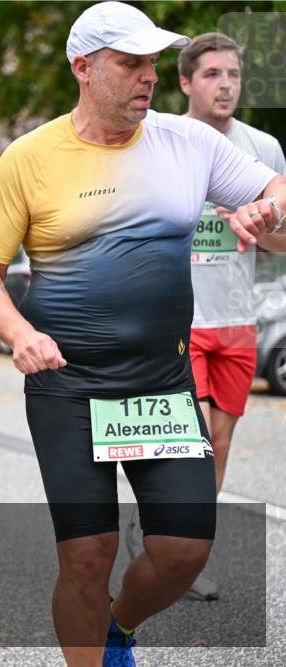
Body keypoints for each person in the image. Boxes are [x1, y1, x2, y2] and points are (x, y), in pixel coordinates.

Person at [0, 3, 286, 666]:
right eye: (130, 62)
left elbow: (278, 186)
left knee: (182, 549)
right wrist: (19, 333)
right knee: (87, 554)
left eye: (153, 64)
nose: (149, 77)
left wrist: (269, 205)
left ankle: (119, 625)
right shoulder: (29, 158)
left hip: (159, 382)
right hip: (67, 385)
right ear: (84, 68)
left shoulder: (188, 143)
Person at [162, 32, 286, 601]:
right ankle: (164, 540)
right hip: (179, 322)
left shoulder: (264, 149)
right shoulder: (160, 141)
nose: (226, 84)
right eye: (212, 74)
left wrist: (261, 227)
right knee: (190, 441)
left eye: (233, 74)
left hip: (237, 320)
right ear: (186, 82)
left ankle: (183, 554)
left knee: (220, 444)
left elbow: (283, 244)